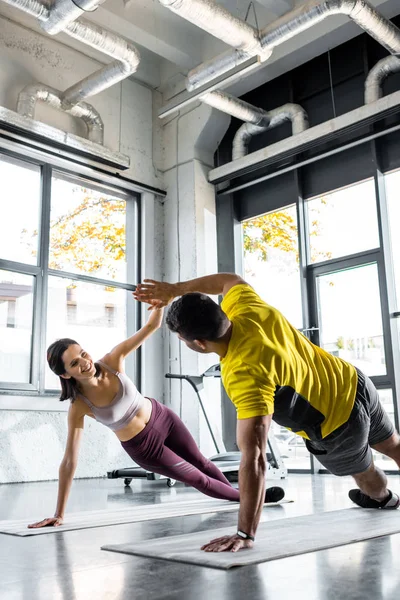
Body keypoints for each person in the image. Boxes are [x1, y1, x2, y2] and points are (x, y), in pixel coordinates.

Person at [134, 273, 400, 553]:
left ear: (199, 343)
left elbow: (255, 457)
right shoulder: (246, 307)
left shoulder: (242, 371)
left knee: (366, 473)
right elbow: (229, 280)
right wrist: (175, 289)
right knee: (392, 443)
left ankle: (385, 499)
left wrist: (244, 532)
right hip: (352, 381)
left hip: (339, 425)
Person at [28, 301, 283, 530]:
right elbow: (70, 461)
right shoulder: (79, 406)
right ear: (65, 375)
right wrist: (59, 513)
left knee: (204, 463)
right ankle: (252, 498)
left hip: (162, 417)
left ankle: (238, 496)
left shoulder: (112, 360)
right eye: (74, 364)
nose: (84, 362)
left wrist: (160, 303)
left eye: (83, 353)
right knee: (198, 479)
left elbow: (151, 327)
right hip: (145, 447)